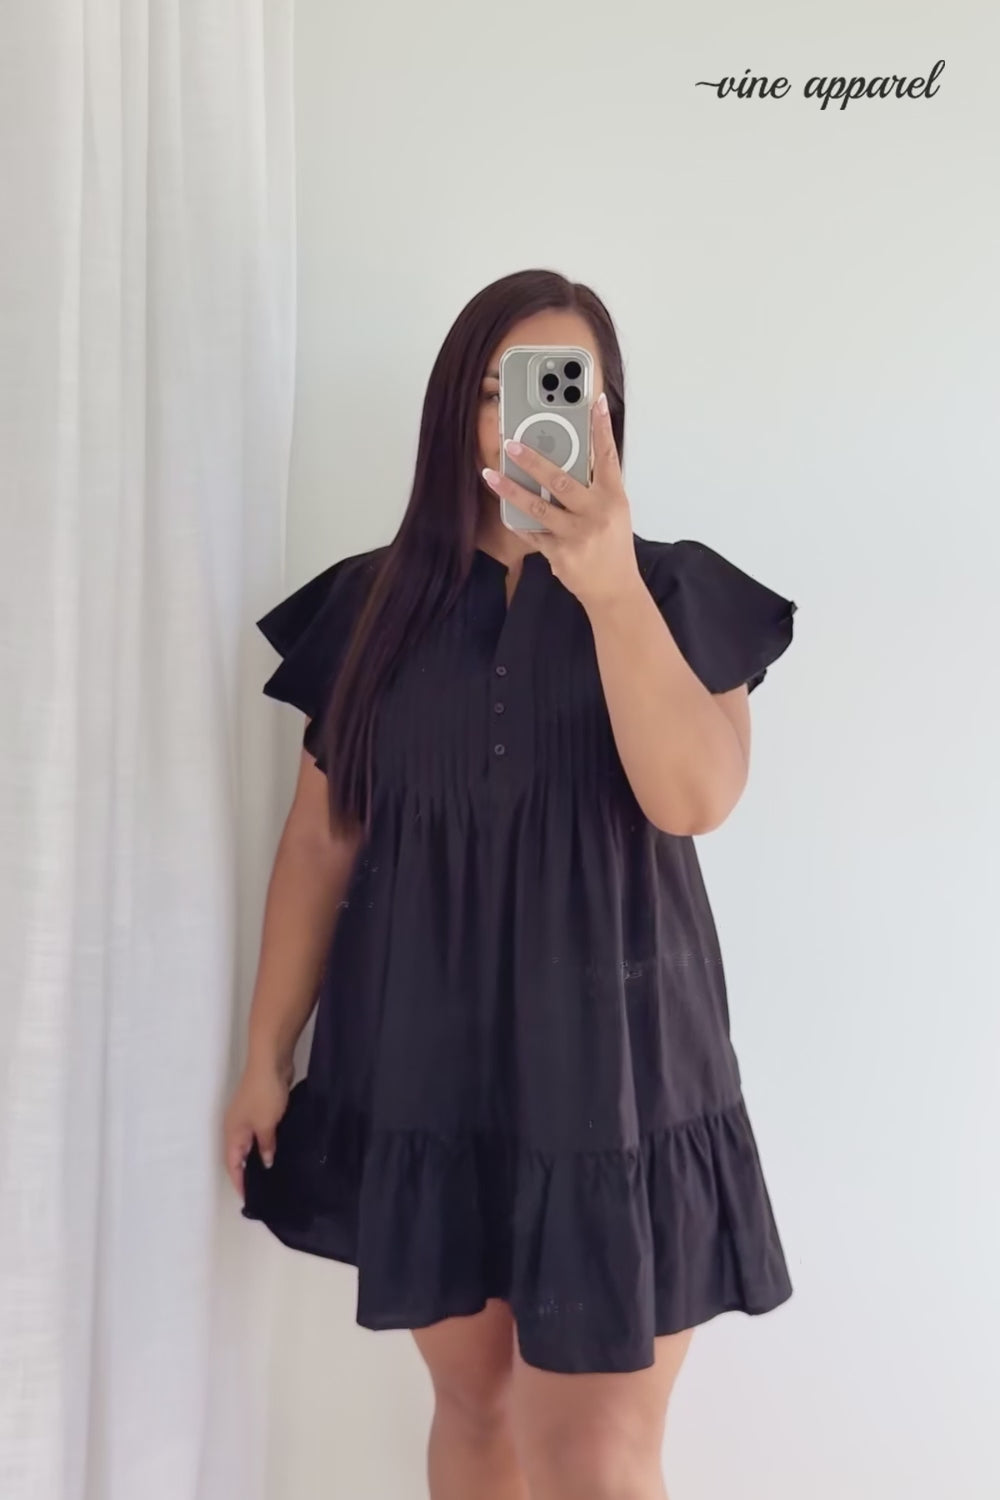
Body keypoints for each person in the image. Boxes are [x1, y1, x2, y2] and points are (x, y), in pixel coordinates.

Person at [224, 268, 797, 1500]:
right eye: (494, 389)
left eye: (557, 386)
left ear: (605, 413)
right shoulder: (371, 607)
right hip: (426, 1069)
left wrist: (607, 583)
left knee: (596, 1453)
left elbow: (694, 798)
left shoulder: (676, 592)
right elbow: (321, 844)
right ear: (455, 412)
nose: (521, 415)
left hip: (621, 1080)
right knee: (477, 1412)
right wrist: (266, 1055)